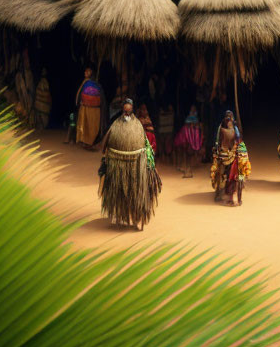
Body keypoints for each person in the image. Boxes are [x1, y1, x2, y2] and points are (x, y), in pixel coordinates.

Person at [97, 98, 161, 229]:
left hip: (136, 164)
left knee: (138, 192)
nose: (126, 111)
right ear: (122, 109)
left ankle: (138, 218)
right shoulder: (115, 124)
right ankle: (121, 215)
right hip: (117, 164)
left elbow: (145, 143)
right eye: (125, 109)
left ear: (132, 109)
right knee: (119, 191)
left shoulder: (138, 125)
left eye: (129, 108)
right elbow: (105, 144)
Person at [211, 110, 251, 206]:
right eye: (227, 117)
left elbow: (239, 140)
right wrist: (218, 151)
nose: (229, 119)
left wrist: (239, 150)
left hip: (234, 154)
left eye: (230, 117)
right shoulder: (221, 128)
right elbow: (217, 141)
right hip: (223, 154)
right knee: (220, 172)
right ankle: (219, 192)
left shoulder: (235, 128)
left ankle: (236, 194)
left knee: (238, 174)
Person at [75, 67, 104, 148]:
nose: (85, 72)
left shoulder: (94, 84)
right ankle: (84, 141)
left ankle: (90, 142)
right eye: (85, 71)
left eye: (87, 71)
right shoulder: (86, 83)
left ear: (91, 73)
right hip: (85, 107)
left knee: (91, 124)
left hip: (93, 108)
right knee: (85, 124)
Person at [174, 105, 203, 177]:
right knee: (185, 153)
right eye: (192, 108)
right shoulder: (186, 124)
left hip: (193, 137)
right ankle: (185, 168)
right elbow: (186, 123)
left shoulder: (197, 121)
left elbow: (198, 125)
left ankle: (189, 169)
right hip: (186, 137)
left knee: (189, 154)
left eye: (194, 109)